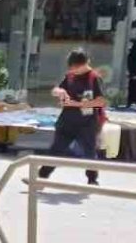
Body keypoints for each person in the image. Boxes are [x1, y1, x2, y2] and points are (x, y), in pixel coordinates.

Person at [38, 49, 106, 186]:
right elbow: (55, 90)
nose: (74, 70)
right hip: (67, 121)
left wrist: (77, 104)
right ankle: (41, 177)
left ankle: (92, 179)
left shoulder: (94, 78)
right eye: (72, 67)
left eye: (77, 67)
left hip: (87, 122)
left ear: (85, 64)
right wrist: (60, 92)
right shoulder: (70, 76)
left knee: (89, 151)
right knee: (56, 149)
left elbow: (100, 101)